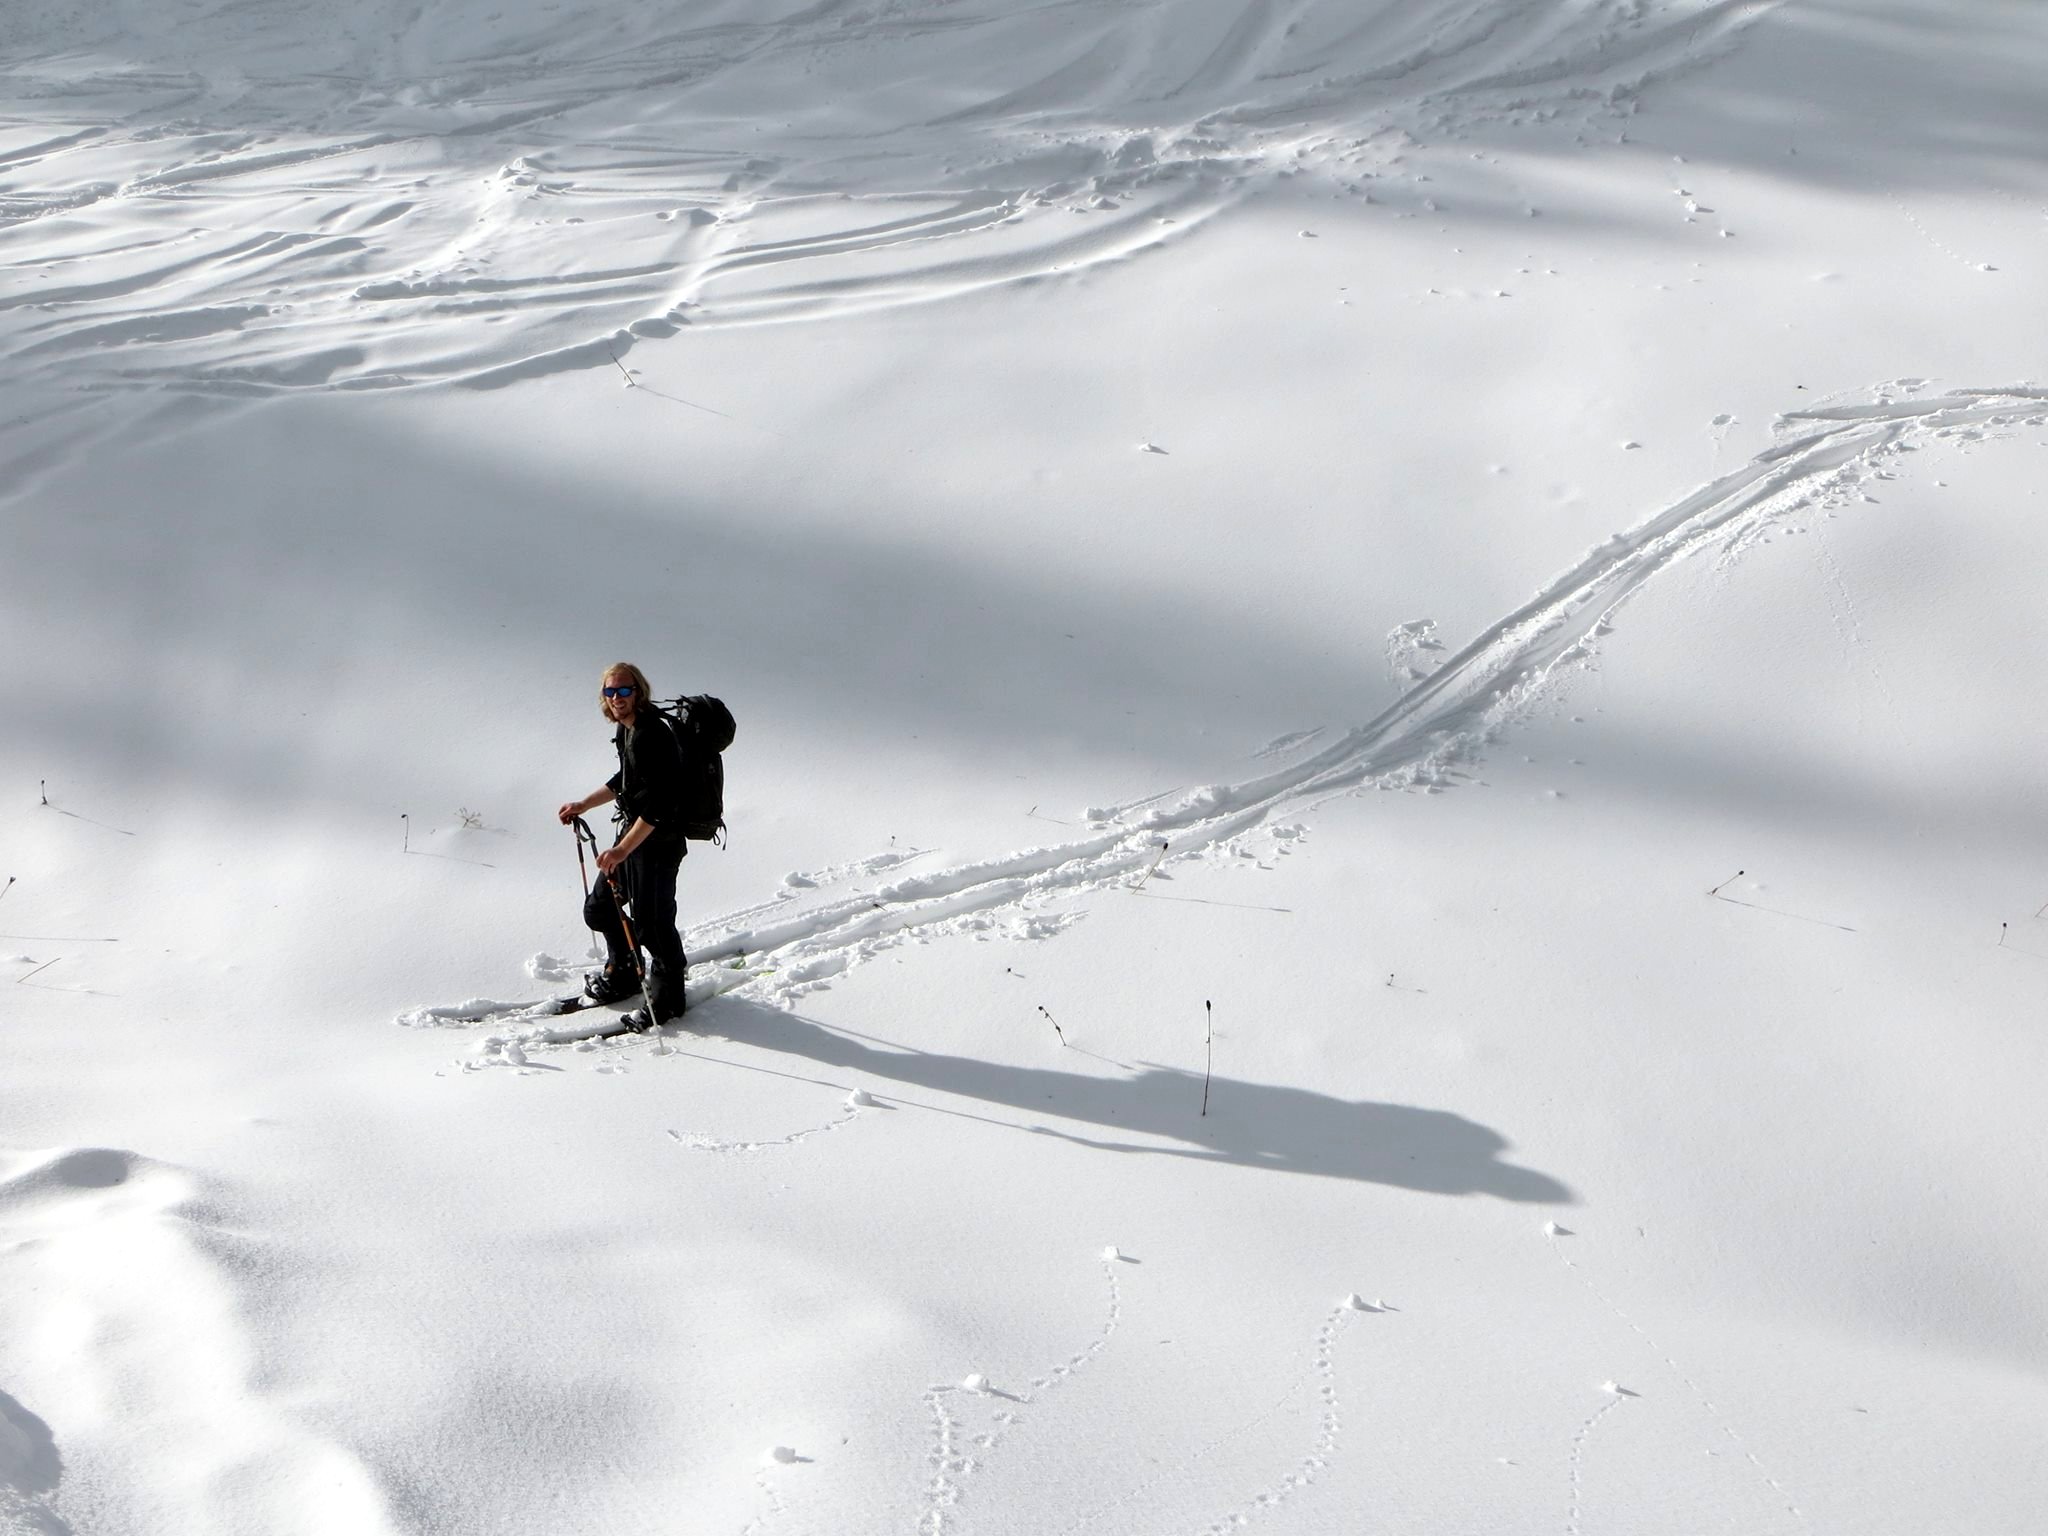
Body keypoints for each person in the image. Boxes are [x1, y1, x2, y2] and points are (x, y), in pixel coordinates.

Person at [556, 662, 689, 1026]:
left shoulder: (653, 734)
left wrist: (622, 850)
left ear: (639, 691)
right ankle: (626, 971)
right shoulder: (627, 730)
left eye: (624, 691)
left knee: (653, 924)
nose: (617, 698)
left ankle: (669, 999)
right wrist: (584, 804)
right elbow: (626, 779)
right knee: (599, 909)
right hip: (633, 837)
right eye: (610, 692)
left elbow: (661, 804)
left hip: (658, 843)